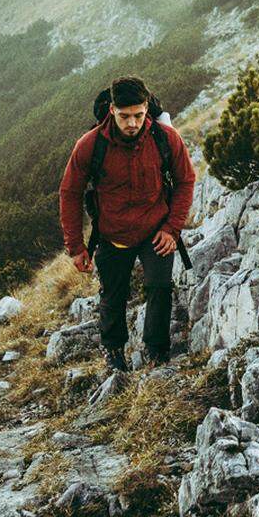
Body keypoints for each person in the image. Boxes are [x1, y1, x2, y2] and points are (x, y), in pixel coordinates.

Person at [58, 75, 196, 372]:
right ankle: (114, 353)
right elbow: (70, 192)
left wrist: (172, 228)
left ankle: (157, 353)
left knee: (159, 287)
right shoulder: (90, 145)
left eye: (138, 115)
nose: (132, 123)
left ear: (147, 108)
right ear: (111, 110)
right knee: (113, 294)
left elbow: (186, 180)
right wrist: (75, 246)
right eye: (124, 116)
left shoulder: (165, 138)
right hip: (112, 234)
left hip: (155, 229)